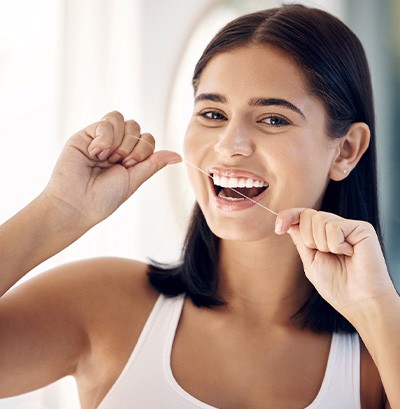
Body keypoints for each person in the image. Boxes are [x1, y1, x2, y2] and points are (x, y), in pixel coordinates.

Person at [0, 3, 398, 408]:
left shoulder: (379, 356)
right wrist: (58, 211)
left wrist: (377, 310)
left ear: (346, 151)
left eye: (273, 119)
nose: (229, 145)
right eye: (212, 113)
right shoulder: (102, 304)